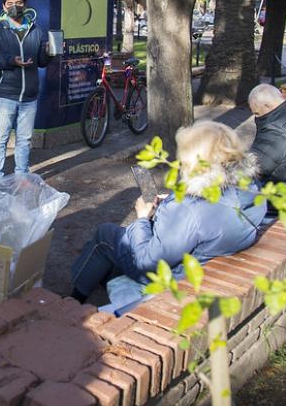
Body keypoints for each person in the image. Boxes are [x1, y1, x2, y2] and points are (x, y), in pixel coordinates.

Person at [69, 121, 267, 305]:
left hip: (170, 274)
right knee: (125, 235)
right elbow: (210, 212)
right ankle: (102, 276)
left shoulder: (190, 209)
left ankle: (73, 300)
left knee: (106, 235)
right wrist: (171, 202)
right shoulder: (251, 187)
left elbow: (147, 261)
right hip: (203, 258)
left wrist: (142, 218)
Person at [0, 0, 54, 181]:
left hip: (29, 97)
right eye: (10, 4)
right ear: (4, 7)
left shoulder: (36, 30)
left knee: (24, 140)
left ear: (25, 5)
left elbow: (42, 62)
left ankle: (21, 177)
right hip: (5, 96)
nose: (15, 7)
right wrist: (11, 61)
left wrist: (49, 51)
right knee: (0, 139)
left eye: (19, 3)